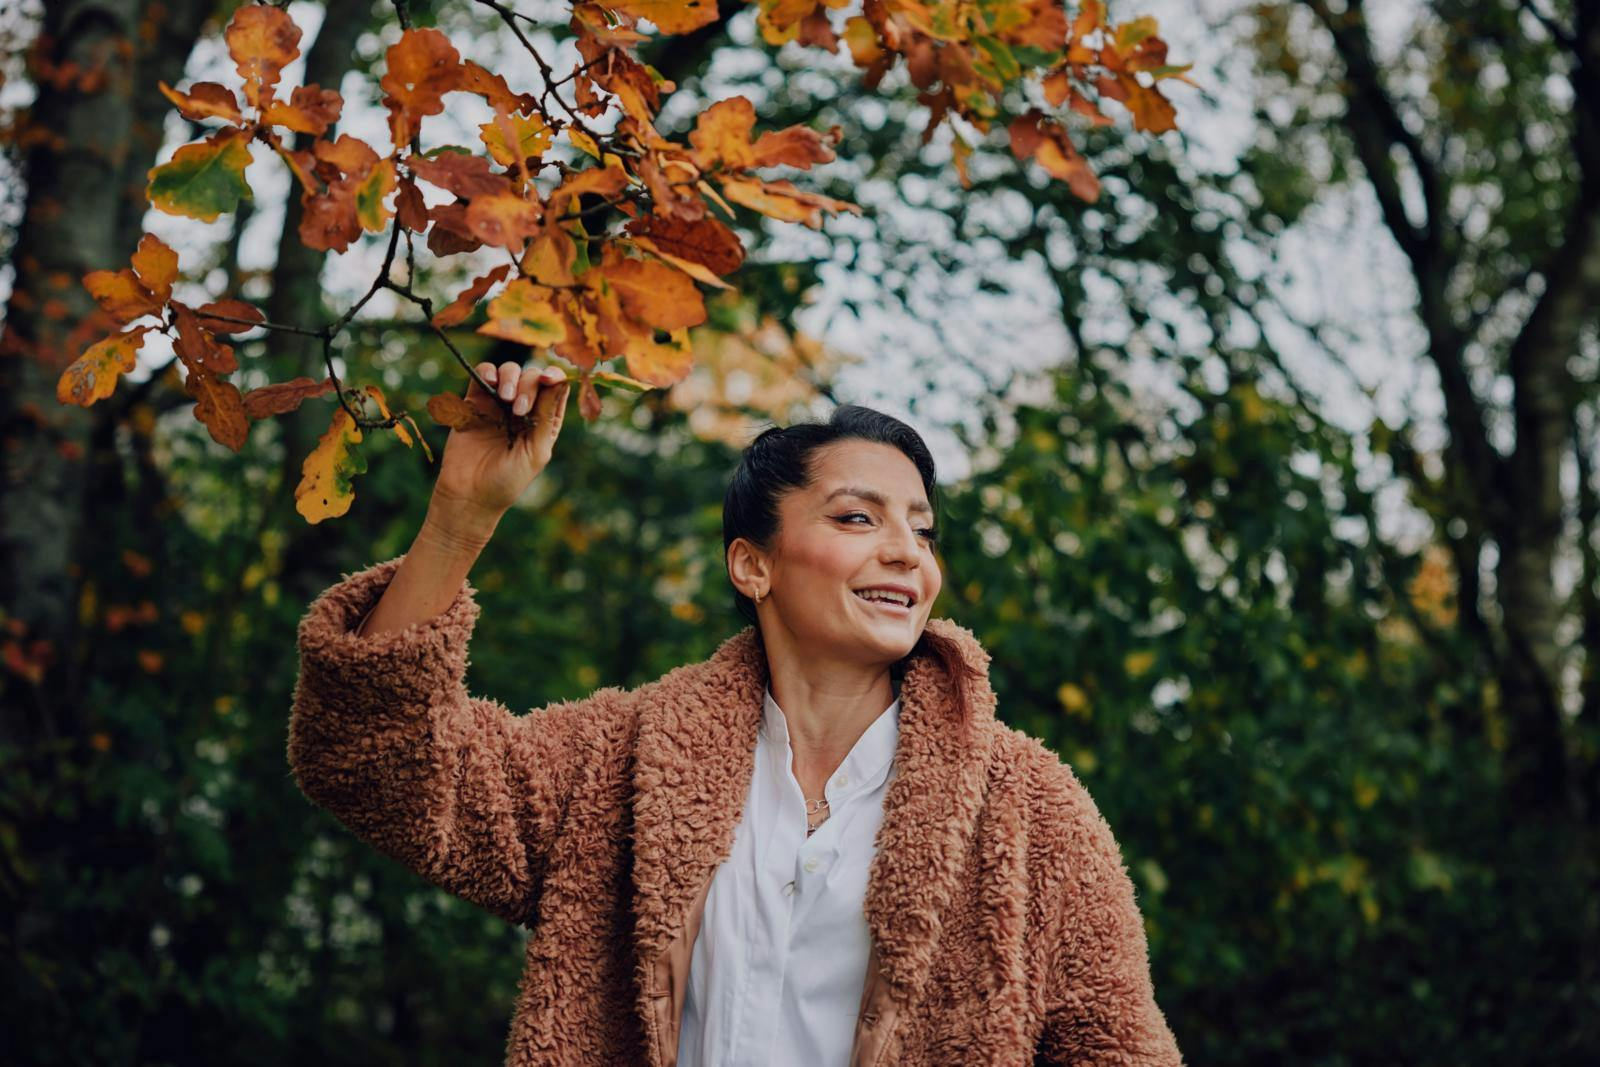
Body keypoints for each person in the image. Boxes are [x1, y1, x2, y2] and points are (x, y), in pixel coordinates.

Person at [288, 359, 1183, 1066]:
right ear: (752, 565)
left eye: (921, 526)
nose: (907, 551)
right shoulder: (619, 762)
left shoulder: (1032, 811)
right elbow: (379, 763)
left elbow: (1120, 1048)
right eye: (858, 518)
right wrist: (460, 512)